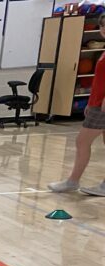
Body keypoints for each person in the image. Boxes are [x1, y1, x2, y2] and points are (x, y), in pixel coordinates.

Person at [49, 15, 105, 196]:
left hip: (103, 107)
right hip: (96, 104)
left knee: (82, 141)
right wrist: (90, 102)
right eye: (102, 25)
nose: (103, 29)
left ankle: (73, 181)